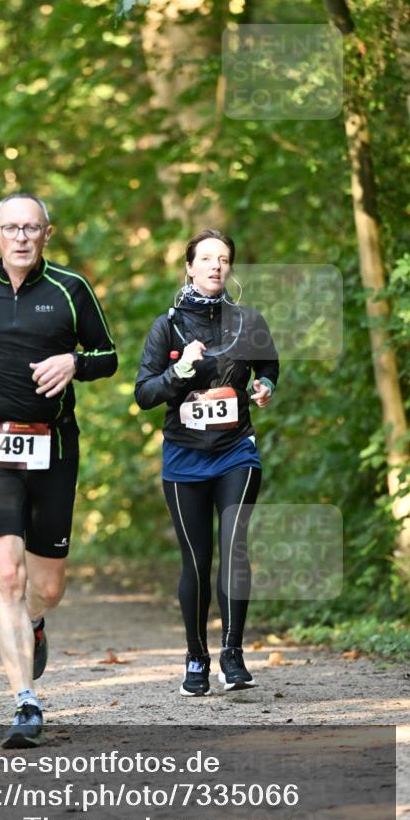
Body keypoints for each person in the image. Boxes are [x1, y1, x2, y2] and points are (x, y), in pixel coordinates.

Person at [0, 193, 117, 748]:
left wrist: (75, 362)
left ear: (47, 234)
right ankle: (25, 702)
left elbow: (107, 356)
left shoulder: (71, 289)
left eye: (31, 228)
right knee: (6, 574)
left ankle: (36, 622)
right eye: (11, 227)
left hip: (55, 448)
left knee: (47, 587)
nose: (20, 237)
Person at [135, 230, 279, 696]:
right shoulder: (168, 326)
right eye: (207, 259)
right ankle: (196, 657)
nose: (216, 266)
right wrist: (179, 371)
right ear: (190, 267)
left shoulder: (248, 321)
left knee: (234, 549)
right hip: (184, 458)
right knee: (196, 562)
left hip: (237, 450)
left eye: (224, 259)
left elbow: (269, 366)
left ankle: (233, 656)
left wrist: (265, 387)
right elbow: (144, 394)